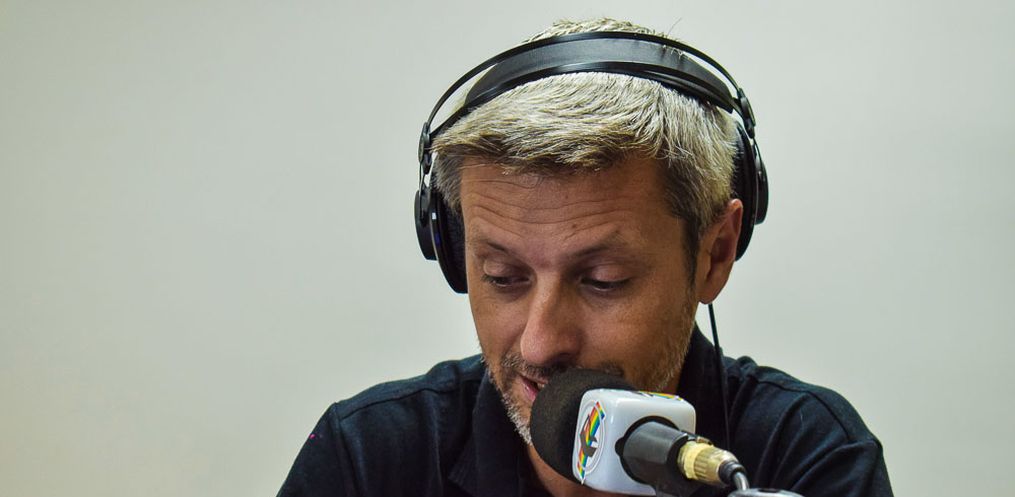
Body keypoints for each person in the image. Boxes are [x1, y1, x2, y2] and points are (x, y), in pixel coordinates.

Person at [278, 18, 893, 497]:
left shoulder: (806, 453)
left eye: (603, 280)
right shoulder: (366, 457)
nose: (540, 345)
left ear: (715, 254)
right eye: (503, 277)